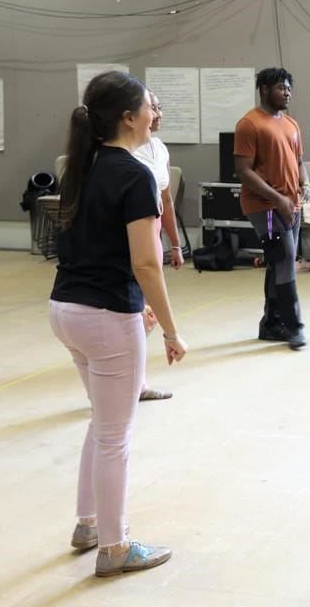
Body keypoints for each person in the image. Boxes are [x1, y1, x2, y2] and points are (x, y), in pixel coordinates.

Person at [50, 70, 187, 576]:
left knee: (102, 424)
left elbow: (91, 248)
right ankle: (114, 546)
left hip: (66, 310)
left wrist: (138, 304)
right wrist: (171, 329)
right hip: (105, 318)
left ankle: (89, 524)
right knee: (115, 436)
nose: (156, 113)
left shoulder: (82, 168)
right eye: (148, 107)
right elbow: (146, 263)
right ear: (129, 119)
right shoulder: (134, 175)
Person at [234, 67, 310, 350]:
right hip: (264, 206)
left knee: (277, 262)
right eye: (281, 87)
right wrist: (278, 199)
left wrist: (306, 185)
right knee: (284, 260)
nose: (287, 92)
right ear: (264, 89)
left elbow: (300, 161)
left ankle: (271, 324)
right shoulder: (250, 124)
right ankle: (294, 328)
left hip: (291, 205)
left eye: (289, 87)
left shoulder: (291, 124)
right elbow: (243, 171)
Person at [132, 91, 183, 401]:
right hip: (133, 235)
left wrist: (176, 244)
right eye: (152, 107)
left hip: (153, 231)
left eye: (160, 107)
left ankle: (135, 381)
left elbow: (166, 199)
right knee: (136, 312)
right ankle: (128, 384)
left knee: (142, 315)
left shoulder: (159, 149)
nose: (158, 113)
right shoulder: (126, 155)